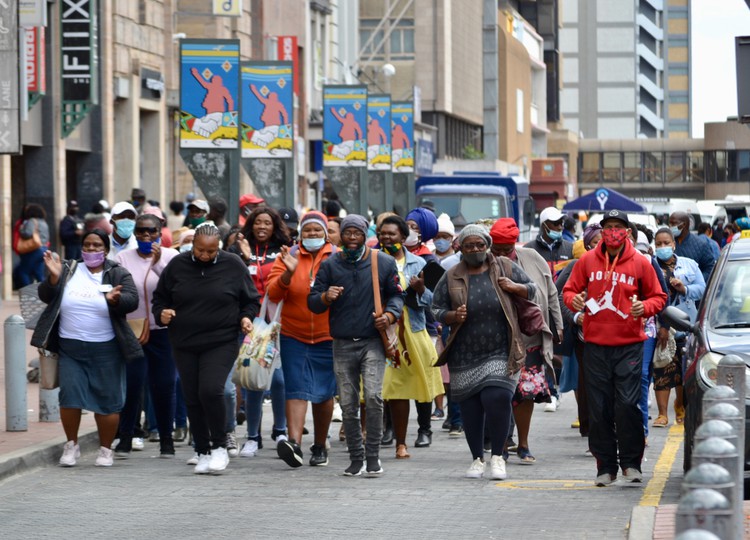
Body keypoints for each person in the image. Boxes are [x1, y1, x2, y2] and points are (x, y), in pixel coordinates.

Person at [563, 209, 667, 486]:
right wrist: (574, 301)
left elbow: (659, 296)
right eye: (608, 226)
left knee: (627, 405)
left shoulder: (641, 263)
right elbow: (569, 291)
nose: (612, 232)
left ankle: (631, 463)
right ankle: (605, 467)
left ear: (628, 232)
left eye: (618, 227)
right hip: (595, 345)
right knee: (599, 408)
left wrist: (644, 307)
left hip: (630, 345)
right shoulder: (586, 261)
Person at [152, 223, 261, 474]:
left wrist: (246, 317)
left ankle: (220, 446)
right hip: (184, 342)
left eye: (210, 252)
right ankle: (202, 450)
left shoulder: (233, 264)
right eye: (199, 250)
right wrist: (162, 314)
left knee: (211, 391)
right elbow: (160, 298)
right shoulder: (178, 265)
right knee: (192, 397)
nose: (203, 256)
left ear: (218, 248)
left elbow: (251, 299)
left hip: (221, 340)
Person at [432, 224, 535, 480]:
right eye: (469, 246)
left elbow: (532, 289)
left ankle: (498, 457)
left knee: (497, 397)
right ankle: (477, 458)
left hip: (502, 348)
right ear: (461, 248)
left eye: (480, 245)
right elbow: (434, 307)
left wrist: (514, 287)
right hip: (464, 352)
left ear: (487, 245)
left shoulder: (505, 267)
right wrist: (452, 315)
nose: (475, 249)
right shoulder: (451, 275)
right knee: (471, 408)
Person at [31, 229, 141, 468]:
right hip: (71, 347)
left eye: (97, 246)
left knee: (108, 401)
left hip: (107, 349)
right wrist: (53, 278)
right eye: (87, 245)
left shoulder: (117, 272)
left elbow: (132, 300)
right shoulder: (69, 270)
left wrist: (116, 300)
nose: (91, 250)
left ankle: (105, 449)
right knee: (69, 398)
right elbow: (45, 295)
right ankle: (71, 445)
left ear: (105, 249)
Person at [308, 214, 404, 477]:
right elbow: (313, 301)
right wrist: (326, 297)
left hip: (372, 340)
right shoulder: (330, 265)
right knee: (349, 404)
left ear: (364, 235)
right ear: (340, 237)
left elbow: (397, 294)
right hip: (341, 342)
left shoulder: (381, 262)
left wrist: (391, 315)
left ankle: (373, 456)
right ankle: (356, 457)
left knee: (372, 397)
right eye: (347, 233)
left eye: (357, 234)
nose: (352, 238)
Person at [266, 211, 338, 467]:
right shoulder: (288, 255)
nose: (312, 235)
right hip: (293, 335)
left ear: (325, 233)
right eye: (307, 231)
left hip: (328, 336)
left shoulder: (337, 257)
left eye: (317, 231)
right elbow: (273, 293)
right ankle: (294, 445)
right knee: (295, 388)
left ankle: (319, 446)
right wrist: (288, 273)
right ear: (300, 233)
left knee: (323, 393)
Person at [490, 218, 559, 465]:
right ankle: (501, 442)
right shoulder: (481, 262)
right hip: (495, 339)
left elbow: (550, 293)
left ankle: (524, 443)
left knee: (525, 392)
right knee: (499, 393)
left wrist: (557, 327)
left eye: (505, 249)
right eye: (495, 249)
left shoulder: (532, 258)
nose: (499, 254)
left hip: (529, 336)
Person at [114, 214, 180, 458]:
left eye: (151, 231)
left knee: (164, 385)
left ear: (159, 232)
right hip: (132, 330)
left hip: (163, 332)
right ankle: (126, 437)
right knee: (132, 385)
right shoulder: (122, 258)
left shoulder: (172, 257)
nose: (145, 236)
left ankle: (166, 440)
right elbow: (119, 288)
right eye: (140, 231)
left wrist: (159, 262)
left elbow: (176, 288)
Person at [378, 215, 442, 459]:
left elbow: (435, 301)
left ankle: (424, 429)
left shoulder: (419, 263)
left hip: (414, 332)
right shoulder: (373, 261)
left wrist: (421, 290)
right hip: (385, 333)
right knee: (392, 387)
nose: (386, 238)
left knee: (422, 382)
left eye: (392, 234)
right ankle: (394, 435)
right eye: (383, 233)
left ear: (403, 238)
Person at [233, 206, 290, 453]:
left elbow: (276, 285)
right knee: (252, 378)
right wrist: (245, 259)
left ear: (274, 225)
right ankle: (253, 436)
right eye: (258, 222)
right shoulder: (238, 250)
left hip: (277, 324)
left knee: (278, 379)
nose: (262, 227)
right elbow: (237, 283)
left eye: (267, 223)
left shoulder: (283, 251)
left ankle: (280, 431)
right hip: (249, 324)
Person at [652, 227, 705, 428]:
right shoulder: (651, 266)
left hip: (686, 325)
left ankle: (680, 407)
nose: (663, 247)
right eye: (659, 244)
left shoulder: (689, 265)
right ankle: (662, 414)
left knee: (684, 371)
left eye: (667, 243)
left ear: (674, 244)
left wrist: (685, 289)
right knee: (662, 368)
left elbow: (702, 288)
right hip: (661, 326)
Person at [555, 224, 603, 443]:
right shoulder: (577, 265)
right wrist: (575, 316)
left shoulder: (622, 266)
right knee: (586, 384)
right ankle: (591, 429)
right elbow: (558, 295)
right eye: (595, 243)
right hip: (584, 337)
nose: (600, 247)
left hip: (617, 336)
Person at [525, 206, 573, 411]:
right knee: (541, 350)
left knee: (559, 351)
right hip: (535, 309)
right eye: (555, 223)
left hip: (561, 307)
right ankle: (550, 391)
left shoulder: (569, 249)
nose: (559, 226)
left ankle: (557, 389)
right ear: (544, 225)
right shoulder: (529, 249)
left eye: (561, 223)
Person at [668, 211, 716, 283]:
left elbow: (710, 268)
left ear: (683, 225)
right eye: (669, 223)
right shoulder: (668, 243)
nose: (670, 227)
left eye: (673, 224)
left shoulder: (701, 244)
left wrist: (696, 282)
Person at [16, 203, 50, 287]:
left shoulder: (32, 221)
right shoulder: (43, 222)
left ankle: (28, 294)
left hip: (34, 249)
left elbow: (27, 233)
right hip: (44, 249)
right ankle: (45, 294)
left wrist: (21, 229)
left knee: (23, 272)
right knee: (39, 274)